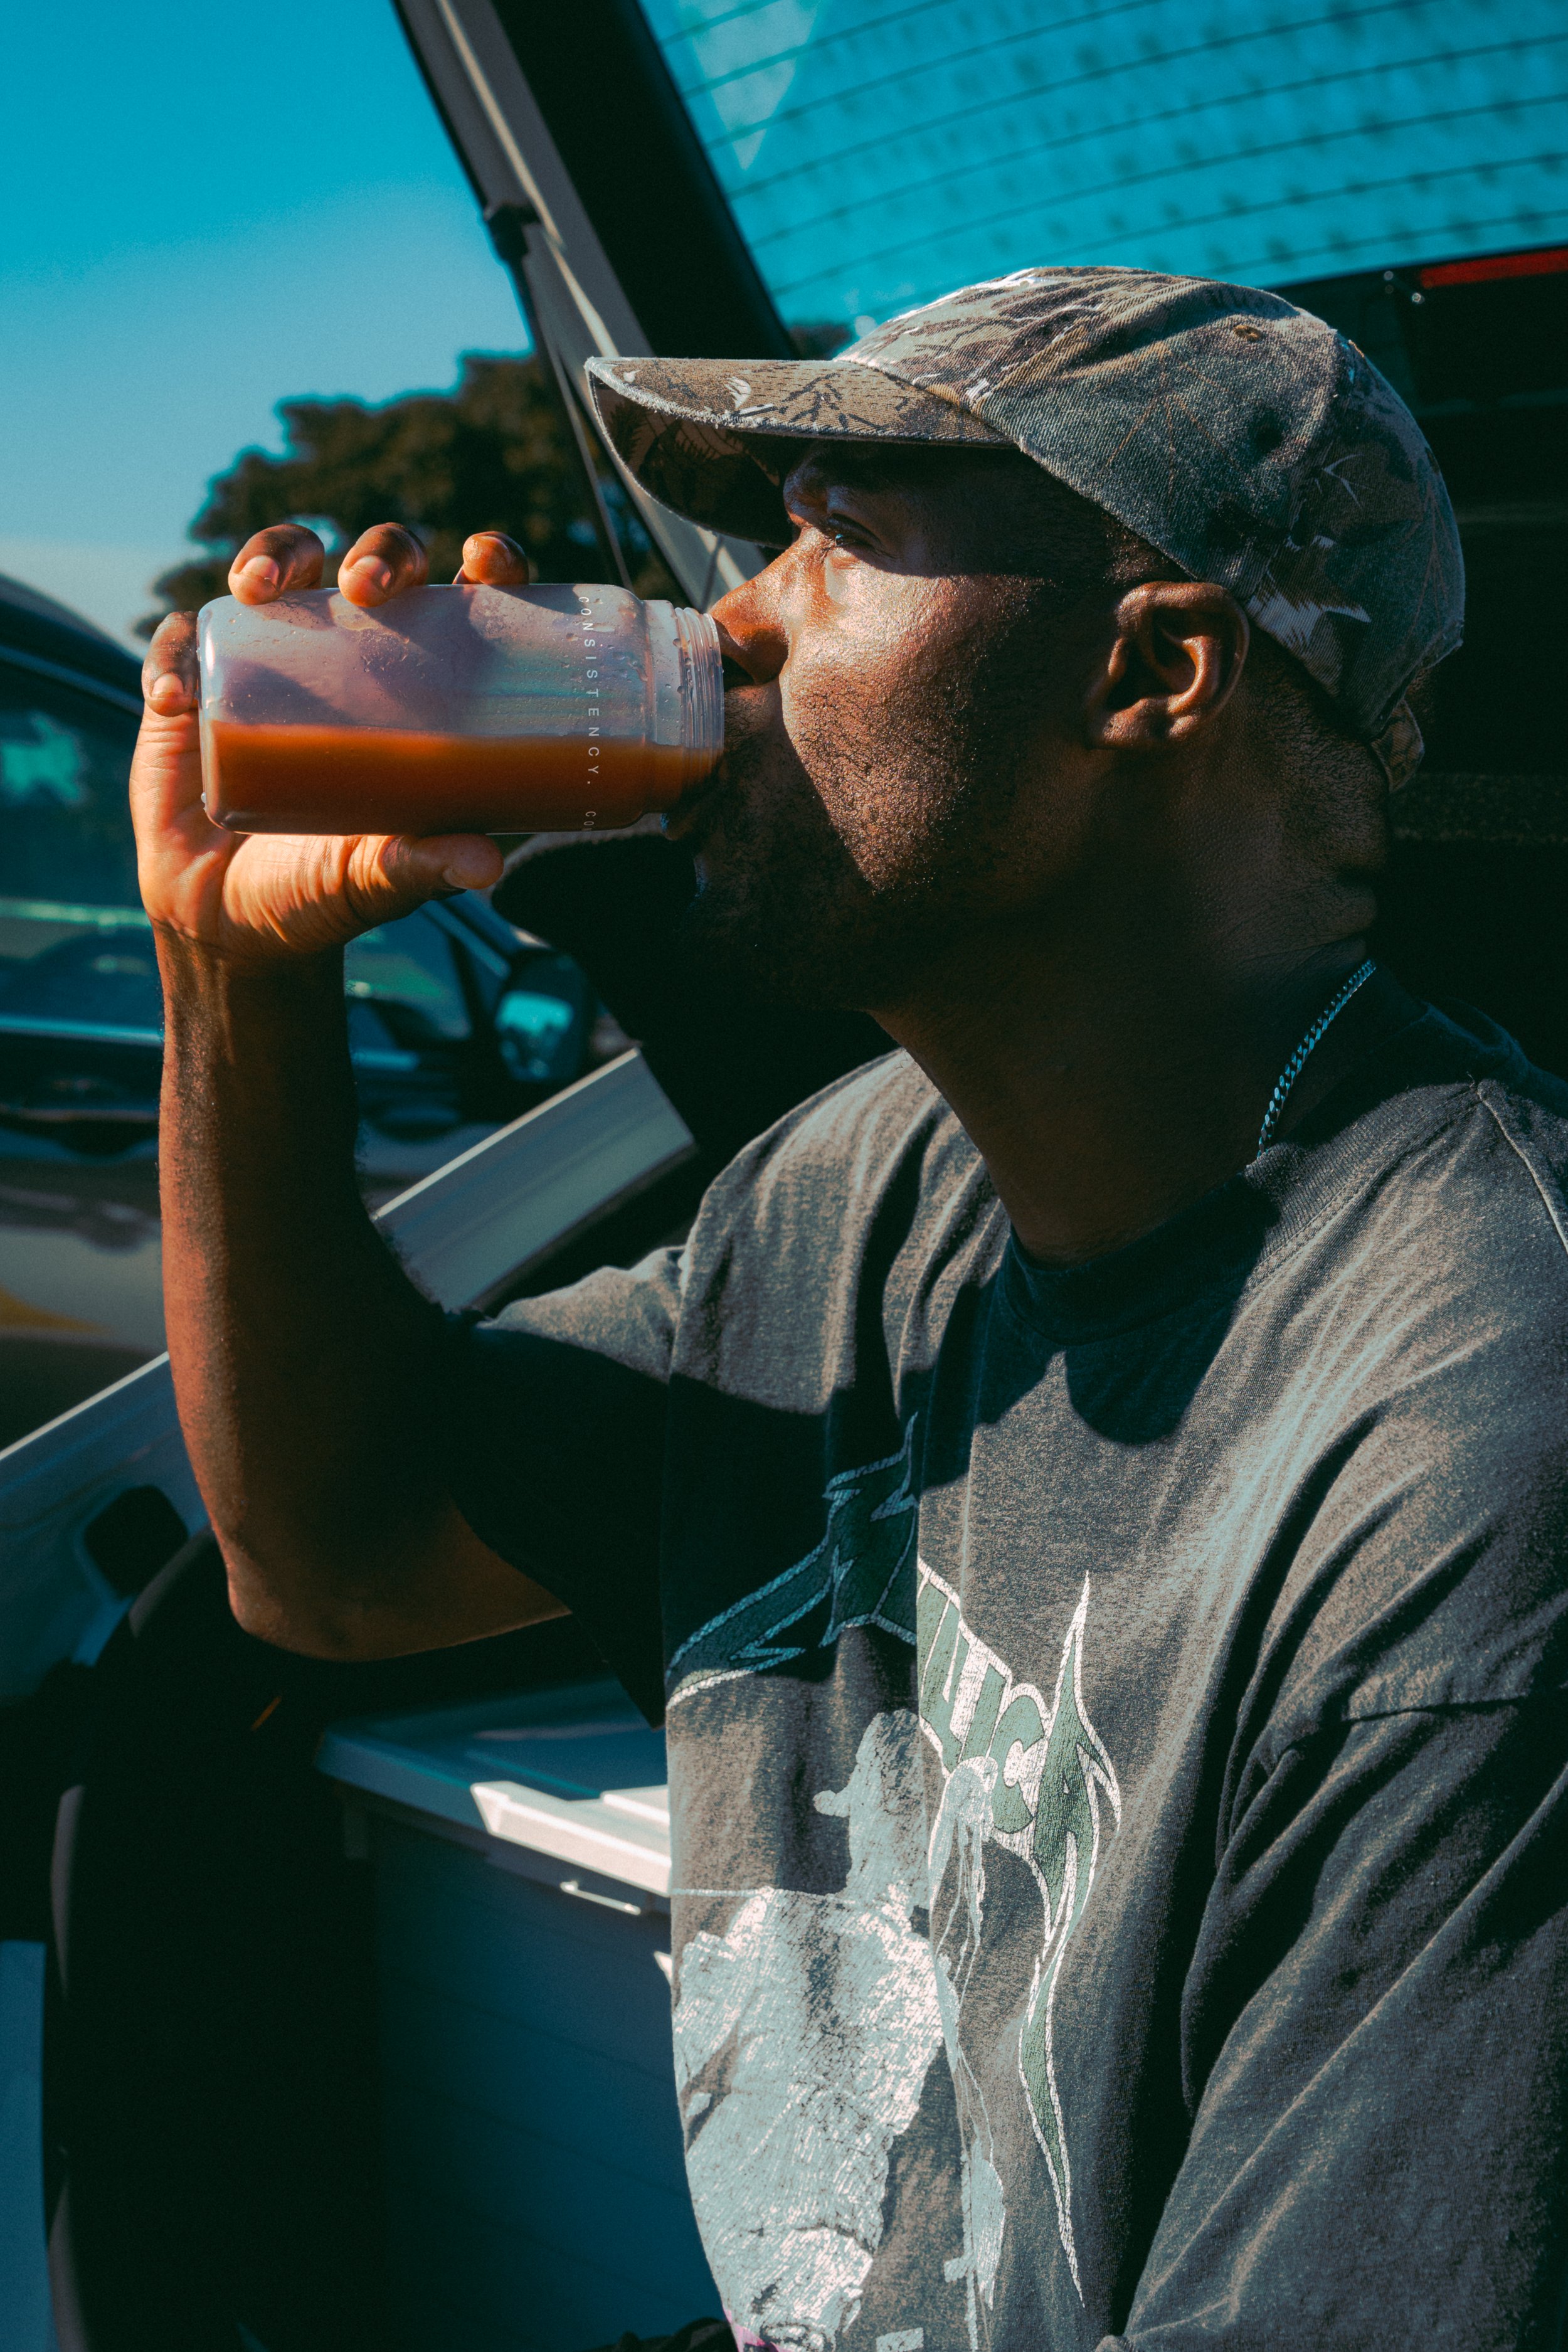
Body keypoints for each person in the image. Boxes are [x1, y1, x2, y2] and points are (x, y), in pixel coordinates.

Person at [134, 269, 1567, 2350]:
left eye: (836, 541)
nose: (725, 627)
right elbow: (335, 1563)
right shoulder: (860, 1193)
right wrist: (234, 978)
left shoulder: (1474, 1458)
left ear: (1147, 671)